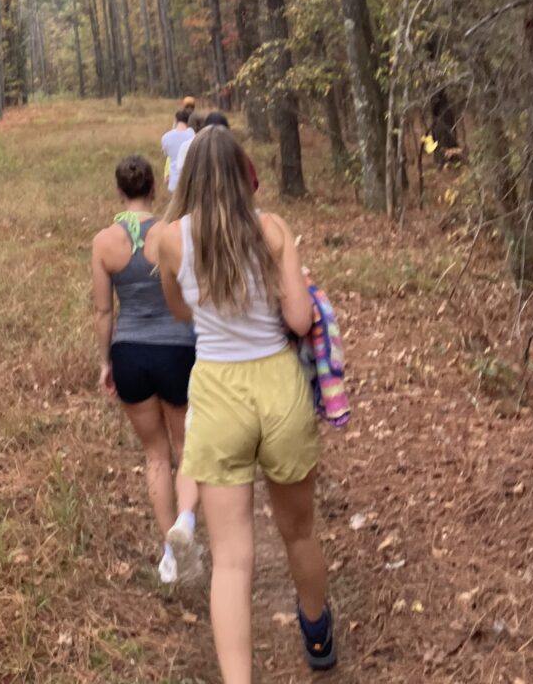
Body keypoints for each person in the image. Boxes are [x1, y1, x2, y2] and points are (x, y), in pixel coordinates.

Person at [158, 127, 335, 681]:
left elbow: (182, 313)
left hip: (216, 393)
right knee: (299, 530)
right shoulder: (274, 230)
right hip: (278, 388)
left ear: (188, 177)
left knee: (232, 559)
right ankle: (317, 634)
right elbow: (300, 320)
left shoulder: (168, 240)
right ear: (243, 174)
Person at [91, 156, 202, 584]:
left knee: (155, 454)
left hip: (130, 352)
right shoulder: (173, 234)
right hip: (177, 349)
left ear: (120, 192)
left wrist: (106, 362)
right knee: (187, 446)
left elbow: (104, 311)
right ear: (154, 189)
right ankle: (186, 524)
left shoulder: (103, 243)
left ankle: (169, 554)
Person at [177, 111, 259, 192]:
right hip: (233, 201)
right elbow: (253, 182)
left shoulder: (196, 149)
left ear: (205, 129)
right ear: (227, 129)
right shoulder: (235, 149)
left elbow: (184, 178)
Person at [161, 109, 195, 193]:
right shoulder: (193, 135)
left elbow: (166, 154)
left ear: (175, 120)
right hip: (190, 182)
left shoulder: (166, 137)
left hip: (174, 182)